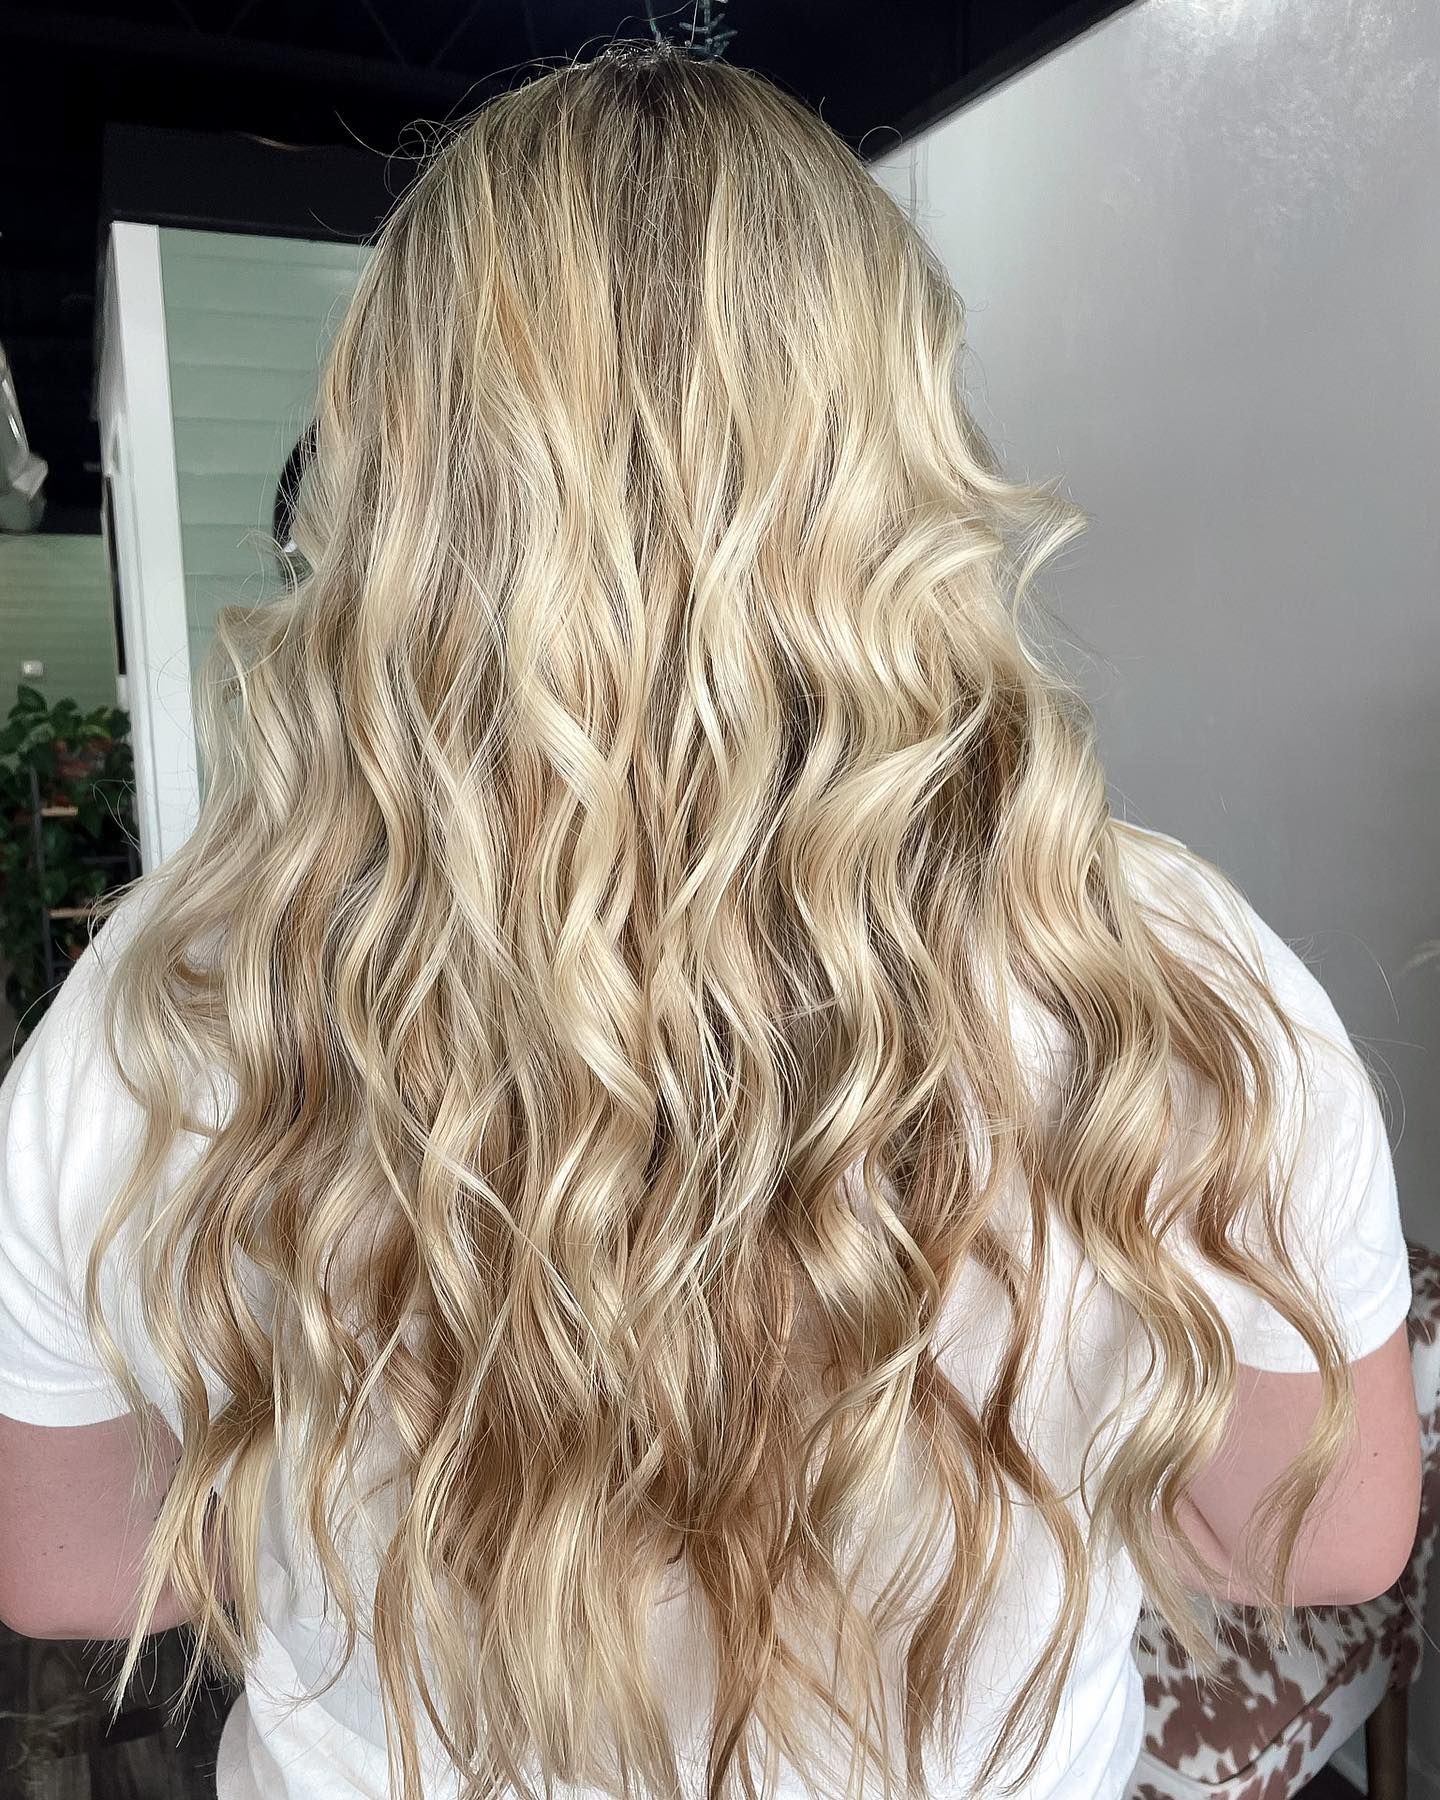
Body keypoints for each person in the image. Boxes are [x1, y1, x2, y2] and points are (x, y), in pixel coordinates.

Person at [0, 40, 1420, 1800]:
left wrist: (379, 1532)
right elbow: (1331, 1537)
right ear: (899, 452)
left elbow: (66, 1565)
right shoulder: (1169, 977)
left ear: (402, 480)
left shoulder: (167, 1001)